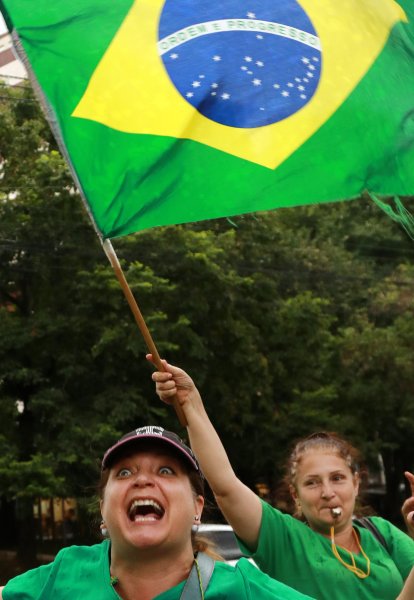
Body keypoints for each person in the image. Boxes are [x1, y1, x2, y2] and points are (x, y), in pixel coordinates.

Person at [150, 357, 414, 600]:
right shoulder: (283, 539)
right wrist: (191, 403)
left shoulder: (383, 534)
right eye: (312, 482)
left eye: (337, 478)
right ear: (295, 495)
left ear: (356, 483)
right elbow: (225, 486)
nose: (327, 491)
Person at [0, 425, 314, 600]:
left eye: (165, 470)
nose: (143, 480)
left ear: (197, 508)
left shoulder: (243, 589)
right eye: (124, 473)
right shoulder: (62, 574)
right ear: (102, 511)